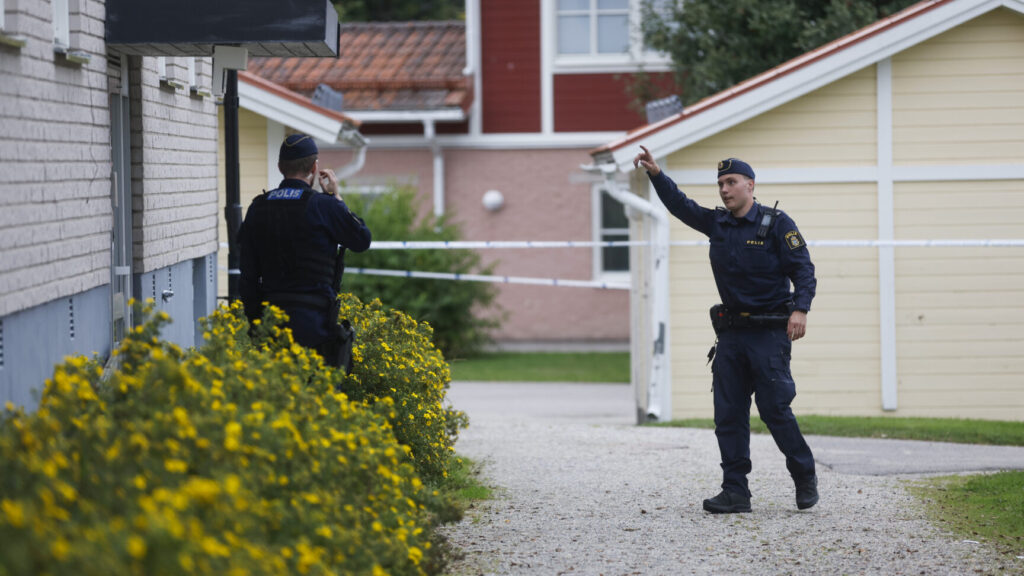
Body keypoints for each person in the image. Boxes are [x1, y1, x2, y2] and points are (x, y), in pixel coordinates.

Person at [633, 145, 818, 514]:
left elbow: (804, 270)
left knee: (775, 409)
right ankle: (735, 491)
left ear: (750, 185)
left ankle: (804, 475)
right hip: (731, 334)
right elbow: (680, 206)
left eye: (731, 182)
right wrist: (656, 174)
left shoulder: (777, 224)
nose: (724, 189)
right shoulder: (718, 224)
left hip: (769, 334)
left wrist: (800, 309)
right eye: (720, 183)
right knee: (729, 414)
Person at [238, 133, 371, 367]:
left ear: (280, 167)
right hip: (314, 324)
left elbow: (247, 274)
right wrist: (336, 197)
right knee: (318, 385)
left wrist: (256, 324)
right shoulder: (324, 206)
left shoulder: (258, 208)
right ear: (314, 168)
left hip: (270, 319)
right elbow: (361, 239)